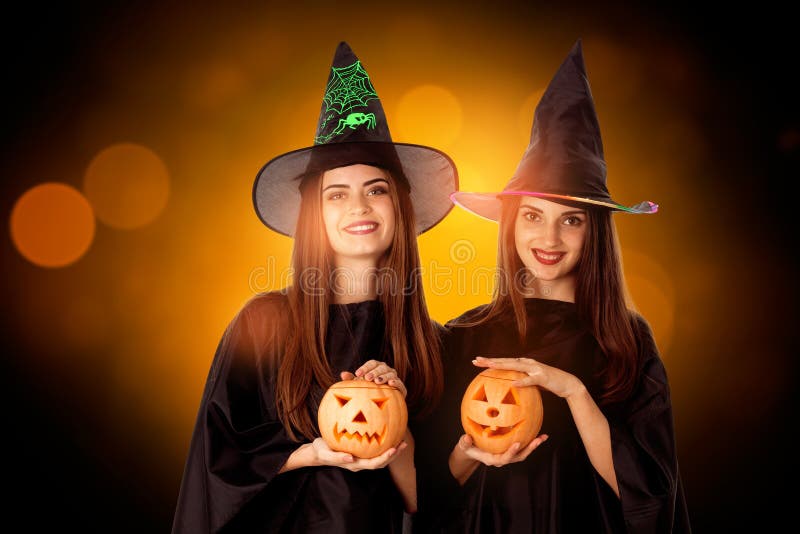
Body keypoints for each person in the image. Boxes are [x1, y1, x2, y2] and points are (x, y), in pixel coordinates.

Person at [171, 41, 458, 533]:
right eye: (337, 194)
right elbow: (213, 470)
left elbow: (440, 506)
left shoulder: (433, 344)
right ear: (314, 215)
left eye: (376, 189)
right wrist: (306, 454)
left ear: (399, 208)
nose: (359, 207)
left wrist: (400, 438)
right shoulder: (264, 324)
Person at [414, 39, 691, 533]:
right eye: (534, 216)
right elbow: (426, 493)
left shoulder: (625, 342)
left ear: (595, 232)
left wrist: (574, 392)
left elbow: (648, 493)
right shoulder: (463, 337)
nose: (548, 238)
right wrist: (469, 454)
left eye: (571, 221)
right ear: (512, 224)